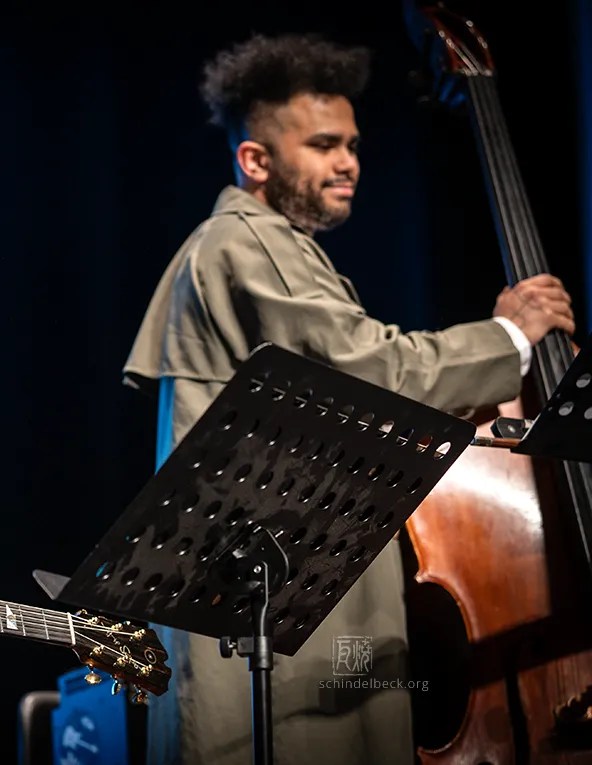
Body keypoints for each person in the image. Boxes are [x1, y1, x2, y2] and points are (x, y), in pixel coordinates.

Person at [122, 34, 575, 765]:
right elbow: (368, 369)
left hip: (299, 605)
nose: (349, 163)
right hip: (274, 617)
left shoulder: (267, 245)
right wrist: (510, 337)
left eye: (353, 145)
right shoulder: (245, 240)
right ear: (256, 161)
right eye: (323, 145)